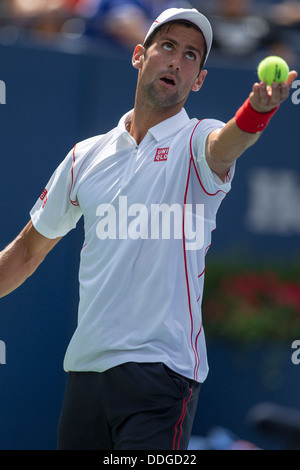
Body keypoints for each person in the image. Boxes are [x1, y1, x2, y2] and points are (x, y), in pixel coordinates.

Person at [0, 7, 297, 450]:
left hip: (161, 375)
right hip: (86, 372)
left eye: (191, 55)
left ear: (199, 79)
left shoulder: (199, 141)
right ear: (140, 55)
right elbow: (27, 251)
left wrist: (257, 111)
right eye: (168, 47)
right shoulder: (86, 155)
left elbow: (227, 143)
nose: (177, 60)